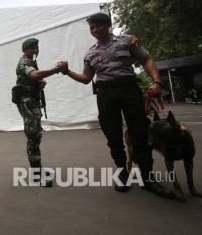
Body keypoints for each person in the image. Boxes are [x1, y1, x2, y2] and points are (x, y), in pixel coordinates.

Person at [56, 12, 174, 199]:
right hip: (105, 93)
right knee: (112, 134)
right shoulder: (90, 53)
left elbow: (146, 59)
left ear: (108, 25)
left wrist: (157, 82)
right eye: (91, 28)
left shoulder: (127, 41)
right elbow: (87, 79)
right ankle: (122, 172)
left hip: (129, 89)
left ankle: (147, 178)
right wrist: (66, 71)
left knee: (140, 133)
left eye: (97, 26)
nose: (94, 30)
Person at [14, 38, 62, 187]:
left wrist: (40, 83)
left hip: (32, 101)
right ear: (25, 49)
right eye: (33, 48)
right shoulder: (24, 62)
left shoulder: (31, 61)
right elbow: (34, 75)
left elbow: (34, 78)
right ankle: (36, 175)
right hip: (27, 102)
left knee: (36, 134)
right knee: (33, 134)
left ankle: (38, 169)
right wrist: (55, 70)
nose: (36, 50)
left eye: (37, 48)